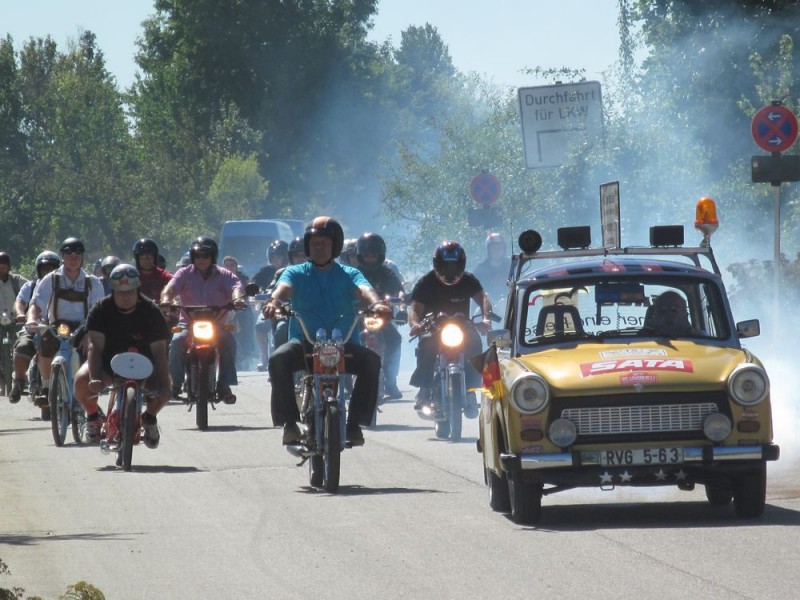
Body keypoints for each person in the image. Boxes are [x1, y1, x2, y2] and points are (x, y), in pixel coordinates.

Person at [262, 216, 391, 446]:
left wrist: (377, 304)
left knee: (371, 361)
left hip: (344, 345)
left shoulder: (349, 273)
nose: (319, 247)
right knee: (278, 359)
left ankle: (354, 425)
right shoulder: (296, 272)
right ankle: (289, 423)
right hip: (305, 343)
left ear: (335, 246)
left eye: (324, 243)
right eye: (314, 243)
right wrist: (274, 302)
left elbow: (365, 290)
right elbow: (284, 288)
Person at [73, 264, 171, 446]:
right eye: (120, 292)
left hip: (145, 365)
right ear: (113, 291)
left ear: (137, 290)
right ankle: (94, 416)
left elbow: (159, 352)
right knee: (80, 381)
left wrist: (165, 385)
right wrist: (95, 378)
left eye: (130, 292)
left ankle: (149, 418)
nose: (125, 296)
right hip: (107, 363)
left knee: (165, 390)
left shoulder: (152, 312)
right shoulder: (100, 310)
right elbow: (95, 347)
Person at [407, 241, 492, 418]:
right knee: (426, 345)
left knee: (475, 343)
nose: (450, 270)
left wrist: (485, 317)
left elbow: (483, 298)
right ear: (438, 264)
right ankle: (425, 388)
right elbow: (414, 309)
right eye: (446, 265)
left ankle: (471, 390)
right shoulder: (426, 282)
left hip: (463, 327)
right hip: (434, 327)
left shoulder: (469, 280)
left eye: (454, 265)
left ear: (461, 265)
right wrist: (415, 325)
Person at [160, 236, 245, 403]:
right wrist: (165, 300)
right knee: (177, 341)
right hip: (188, 323)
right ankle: (175, 384)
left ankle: (224, 384)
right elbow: (170, 289)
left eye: (206, 255)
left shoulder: (224, 274)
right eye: (197, 255)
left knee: (229, 341)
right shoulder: (184, 273)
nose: (201, 259)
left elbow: (236, 288)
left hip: (217, 323)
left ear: (213, 256)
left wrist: (238, 300)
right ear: (192, 257)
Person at [26, 238, 105, 407]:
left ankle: (91, 393)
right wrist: (32, 319)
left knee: (92, 351)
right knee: (45, 343)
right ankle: (47, 387)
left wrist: (90, 335)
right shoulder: (50, 279)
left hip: (84, 327)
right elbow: (36, 304)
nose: (74, 258)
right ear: (62, 256)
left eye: (78, 255)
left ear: (83, 257)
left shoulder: (93, 282)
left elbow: (99, 313)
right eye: (69, 255)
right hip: (58, 327)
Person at [355, 232, 404, 399]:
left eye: (374, 255)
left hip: (380, 319)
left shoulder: (387, 273)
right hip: (356, 318)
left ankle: (390, 379)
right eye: (367, 255)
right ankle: (346, 378)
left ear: (380, 256)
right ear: (360, 255)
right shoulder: (352, 273)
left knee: (395, 339)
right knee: (344, 342)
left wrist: (402, 307)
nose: (370, 259)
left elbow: (399, 294)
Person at [8, 251, 60, 404]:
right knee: (21, 348)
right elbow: (20, 303)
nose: (48, 272)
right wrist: (20, 314)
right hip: (33, 328)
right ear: (39, 270)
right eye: (45, 269)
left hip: (57, 330)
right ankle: (18, 382)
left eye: (52, 269)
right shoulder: (30, 286)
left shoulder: (63, 287)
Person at [254, 237, 306, 371]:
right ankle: (278, 368)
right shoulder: (282, 273)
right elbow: (273, 289)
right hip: (288, 315)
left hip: (314, 316)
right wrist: (271, 302)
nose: (301, 258)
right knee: (282, 328)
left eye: (304, 255)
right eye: (297, 255)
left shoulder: (319, 273)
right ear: (291, 257)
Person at [0, 252, 30, 398]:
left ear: (9, 267)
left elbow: (31, 290)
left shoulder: (17, 281)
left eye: (4, 265)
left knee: (22, 347)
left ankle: (22, 378)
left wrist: (24, 314)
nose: (1, 267)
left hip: (15, 321)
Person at [223, 255, 257, 370]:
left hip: (240, 306)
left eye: (231, 265)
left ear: (236, 267)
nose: (229, 267)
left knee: (247, 318)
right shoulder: (219, 278)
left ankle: (248, 349)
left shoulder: (243, 278)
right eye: (226, 265)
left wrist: (246, 300)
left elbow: (249, 291)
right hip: (223, 307)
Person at [471, 232, 509, 307]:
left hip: (510, 305)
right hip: (485, 308)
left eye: (500, 248)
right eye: (494, 248)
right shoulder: (479, 270)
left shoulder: (512, 266)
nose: (497, 251)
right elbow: (473, 295)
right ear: (488, 250)